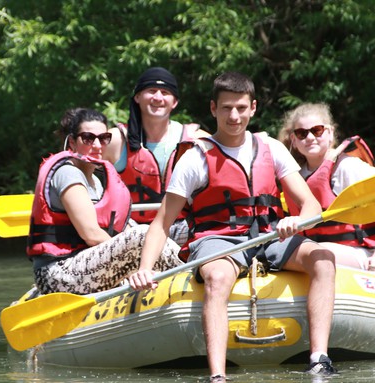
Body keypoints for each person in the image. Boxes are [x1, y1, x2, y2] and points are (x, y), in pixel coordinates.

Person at [128, 72, 339, 379]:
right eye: (226, 108)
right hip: (219, 239)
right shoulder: (195, 158)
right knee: (216, 276)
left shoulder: (271, 148)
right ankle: (218, 375)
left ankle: (319, 358)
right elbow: (162, 221)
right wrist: (145, 267)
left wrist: (296, 220)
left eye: (241, 108)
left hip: (270, 235)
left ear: (253, 108)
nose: (234, 116)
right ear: (213, 109)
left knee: (324, 258)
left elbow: (311, 205)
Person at [26, 107, 182, 295]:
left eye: (103, 138)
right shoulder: (67, 173)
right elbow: (91, 234)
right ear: (73, 142)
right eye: (88, 138)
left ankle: (187, 268)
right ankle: (189, 274)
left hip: (88, 262)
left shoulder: (97, 181)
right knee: (140, 236)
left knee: (155, 233)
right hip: (58, 272)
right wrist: (128, 252)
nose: (98, 145)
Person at [278, 102, 375, 270]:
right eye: (302, 133)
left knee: (307, 252)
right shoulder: (295, 176)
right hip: (314, 249)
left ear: (330, 133)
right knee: (282, 251)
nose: (309, 138)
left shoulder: (347, 167)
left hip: (357, 251)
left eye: (317, 130)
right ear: (293, 139)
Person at [103, 67, 209, 246]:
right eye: (151, 91)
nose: (158, 97)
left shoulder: (197, 139)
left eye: (165, 92)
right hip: (132, 229)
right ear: (137, 97)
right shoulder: (114, 139)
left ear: (174, 102)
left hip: (179, 226)